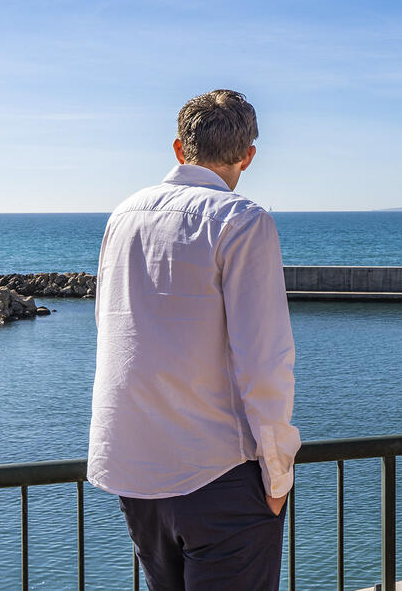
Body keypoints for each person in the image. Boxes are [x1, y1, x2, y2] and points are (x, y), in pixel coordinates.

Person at [87, 90, 301, 590]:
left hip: (134, 468)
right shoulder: (242, 220)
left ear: (180, 149)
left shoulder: (122, 215)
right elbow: (263, 358)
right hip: (217, 473)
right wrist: (277, 474)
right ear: (248, 155)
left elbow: (111, 326)